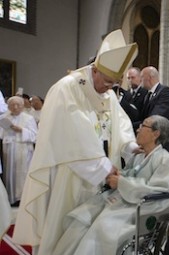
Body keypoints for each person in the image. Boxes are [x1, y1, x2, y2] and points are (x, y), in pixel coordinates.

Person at [12, 29, 139, 255]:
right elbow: (71, 133)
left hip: (100, 175)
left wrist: (130, 146)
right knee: (63, 228)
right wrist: (102, 167)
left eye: (115, 84)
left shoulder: (108, 94)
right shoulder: (67, 88)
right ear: (96, 70)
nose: (110, 88)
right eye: (108, 81)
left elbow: (120, 124)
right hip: (70, 175)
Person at [53, 115, 169, 255]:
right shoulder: (139, 156)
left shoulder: (166, 160)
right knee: (82, 219)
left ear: (156, 133)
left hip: (144, 208)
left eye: (143, 126)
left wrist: (121, 182)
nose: (138, 129)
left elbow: (159, 191)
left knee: (102, 226)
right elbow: (129, 174)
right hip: (126, 200)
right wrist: (118, 174)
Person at [0, 96, 38, 205]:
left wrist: (21, 130)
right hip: (8, 147)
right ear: (8, 106)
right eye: (12, 105)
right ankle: (11, 197)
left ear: (22, 106)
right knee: (9, 172)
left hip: (23, 148)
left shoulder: (28, 118)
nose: (15, 107)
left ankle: (21, 197)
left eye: (18, 105)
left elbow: (35, 135)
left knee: (22, 173)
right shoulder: (4, 117)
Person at [139, 66, 169, 158]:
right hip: (154, 141)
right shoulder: (147, 95)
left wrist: (140, 126)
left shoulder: (165, 91)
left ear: (149, 77)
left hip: (165, 141)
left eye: (142, 77)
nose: (140, 80)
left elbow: (155, 116)